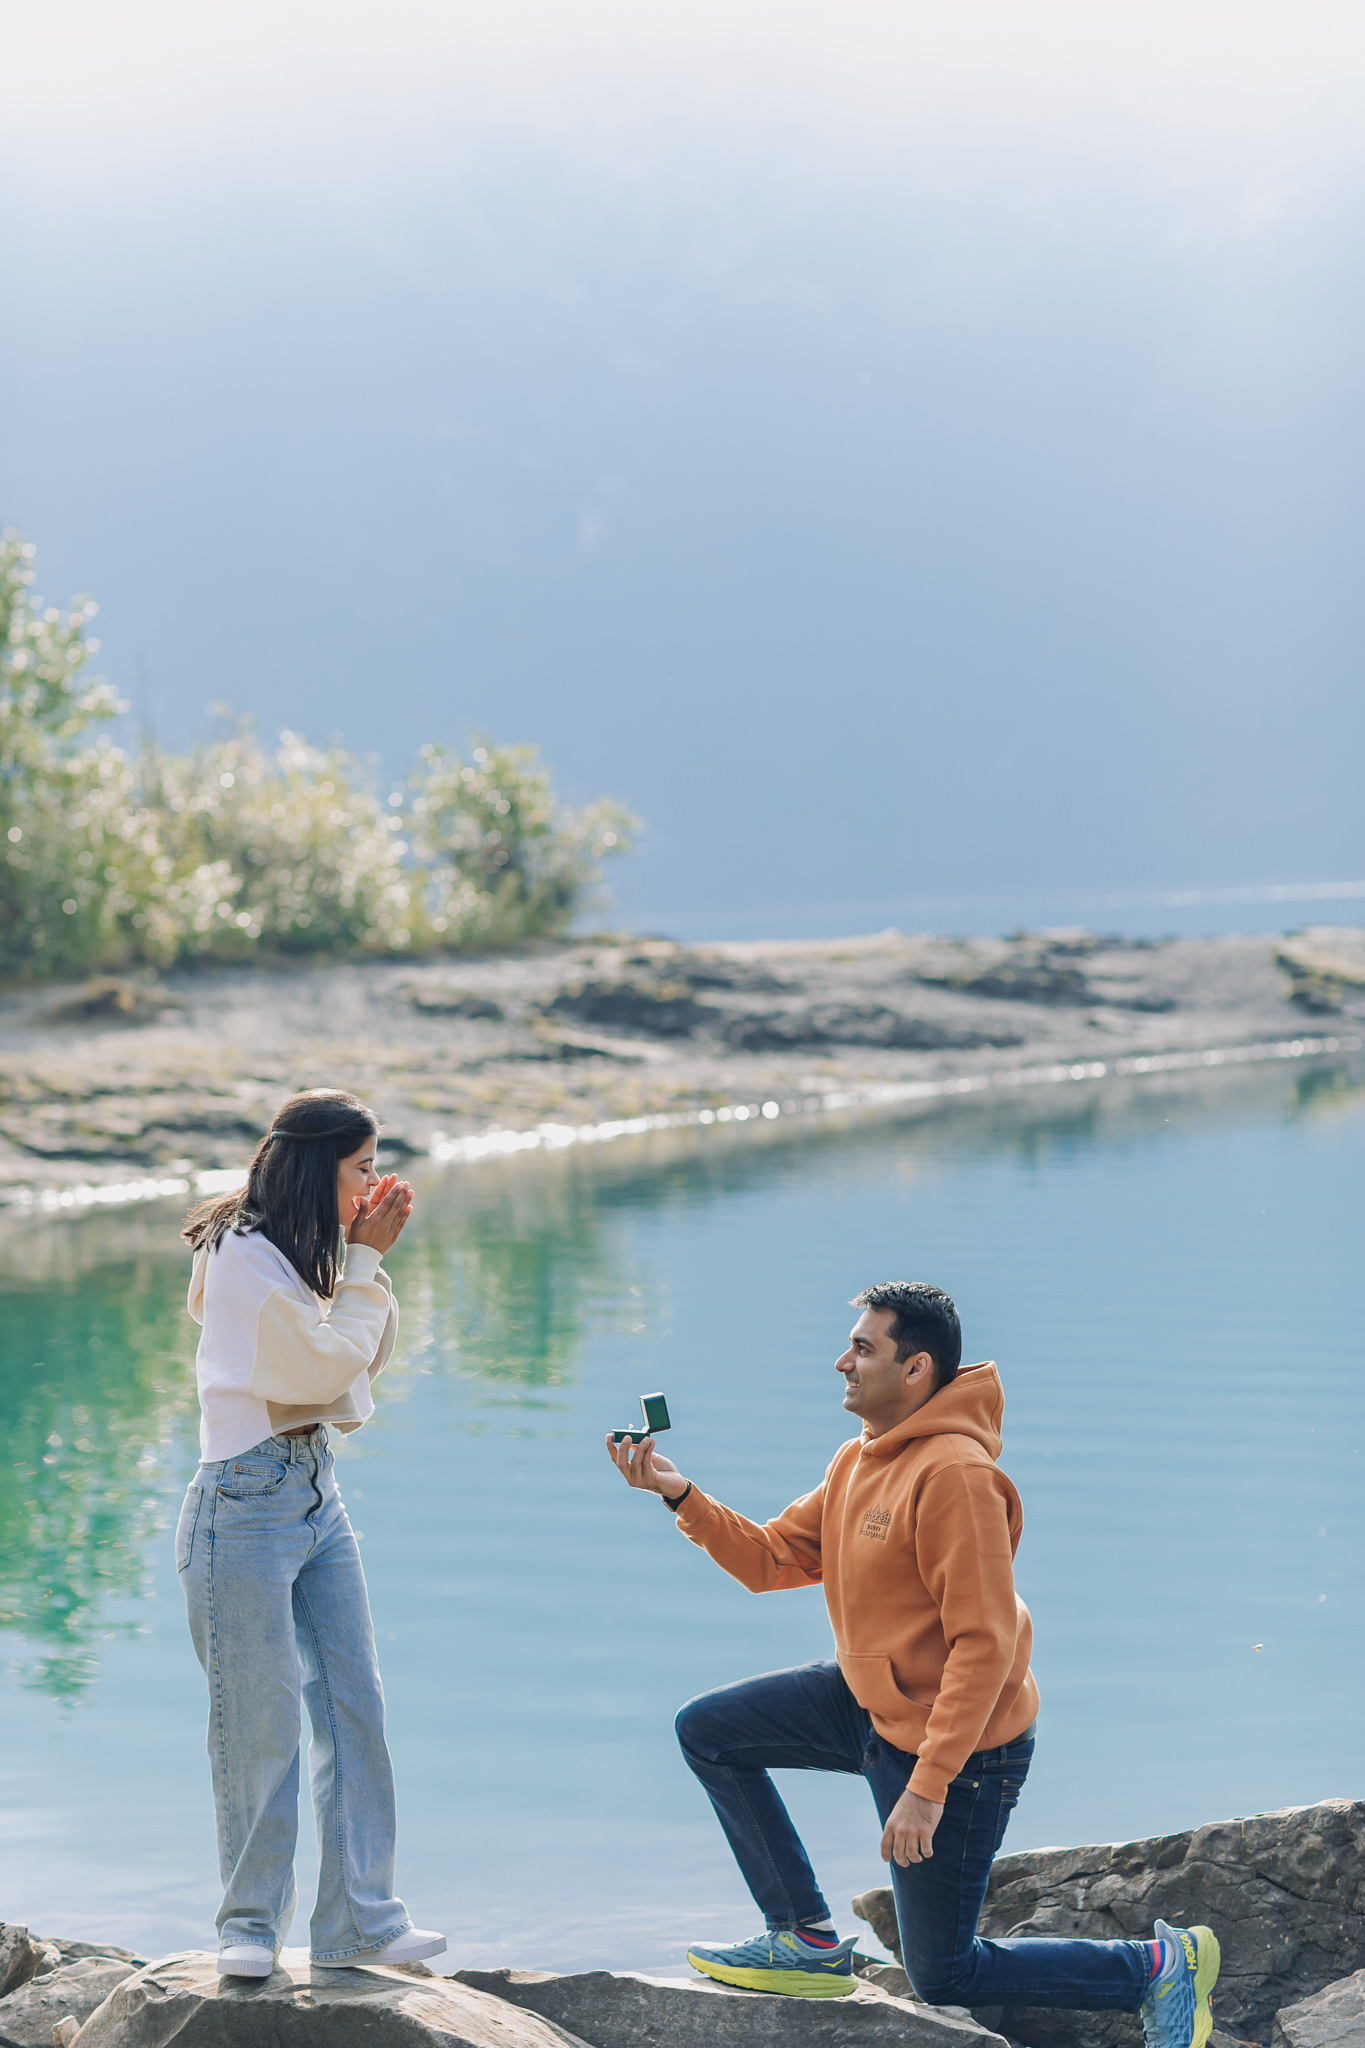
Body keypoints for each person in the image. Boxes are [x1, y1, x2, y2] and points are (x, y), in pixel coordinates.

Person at [606, 1280, 1219, 2048]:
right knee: (708, 1730)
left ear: (916, 1369)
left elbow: (984, 1643)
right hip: (868, 1703)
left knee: (943, 1975)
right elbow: (769, 1559)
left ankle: (1155, 1967)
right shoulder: (857, 1460)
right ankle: (803, 1938)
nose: (842, 1363)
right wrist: (678, 1494)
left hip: (960, 1749)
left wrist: (926, 1789)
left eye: (862, 1349)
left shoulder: (956, 1477)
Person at [177, 1088, 445, 1979]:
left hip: (314, 1492)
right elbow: (330, 1362)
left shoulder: (297, 1253)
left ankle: (360, 1922)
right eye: (361, 1169)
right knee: (260, 1725)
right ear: (314, 1165)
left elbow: (354, 1366)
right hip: (243, 1502)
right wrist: (366, 1261)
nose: (372, 1187)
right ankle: (249, 1925)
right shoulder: (242, 1251)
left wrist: (360, 1261)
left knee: (352, 1706)